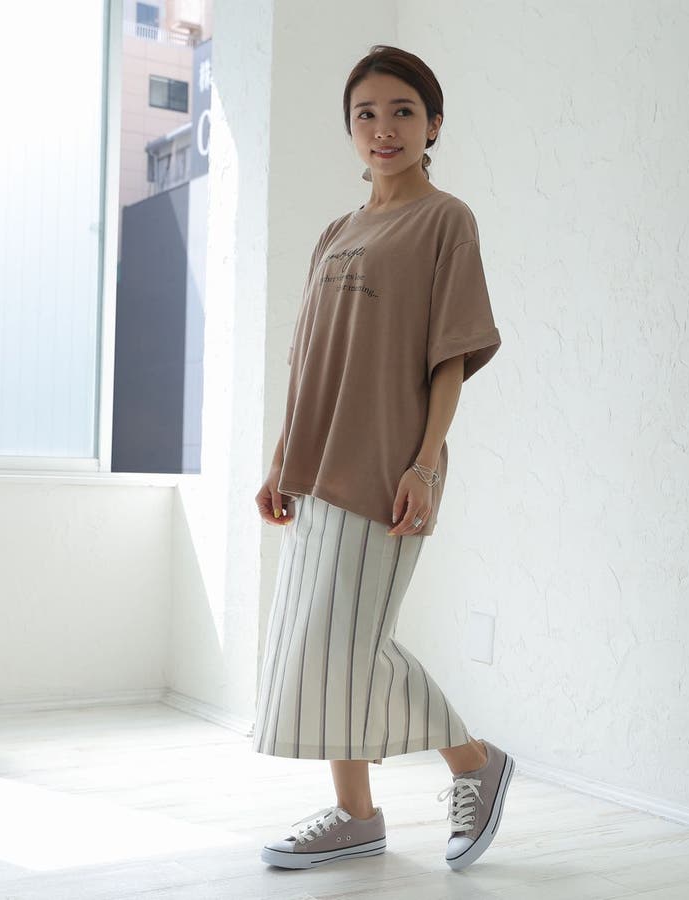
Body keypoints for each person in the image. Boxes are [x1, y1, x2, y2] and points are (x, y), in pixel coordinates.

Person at [252, 44, 513, 871]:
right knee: (319, 645)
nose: (384, 128)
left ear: (433, 125)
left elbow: (450, 355)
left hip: (388, 463)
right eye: (366, 114)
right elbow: (308, 358)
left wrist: (425, 463)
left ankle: (474, 762)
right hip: (315, 463)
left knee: (351, 643)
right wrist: (280, 458)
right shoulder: (337, 232)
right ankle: (356, 814)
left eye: (403, 111)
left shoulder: (445, 220)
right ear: (351, 130)